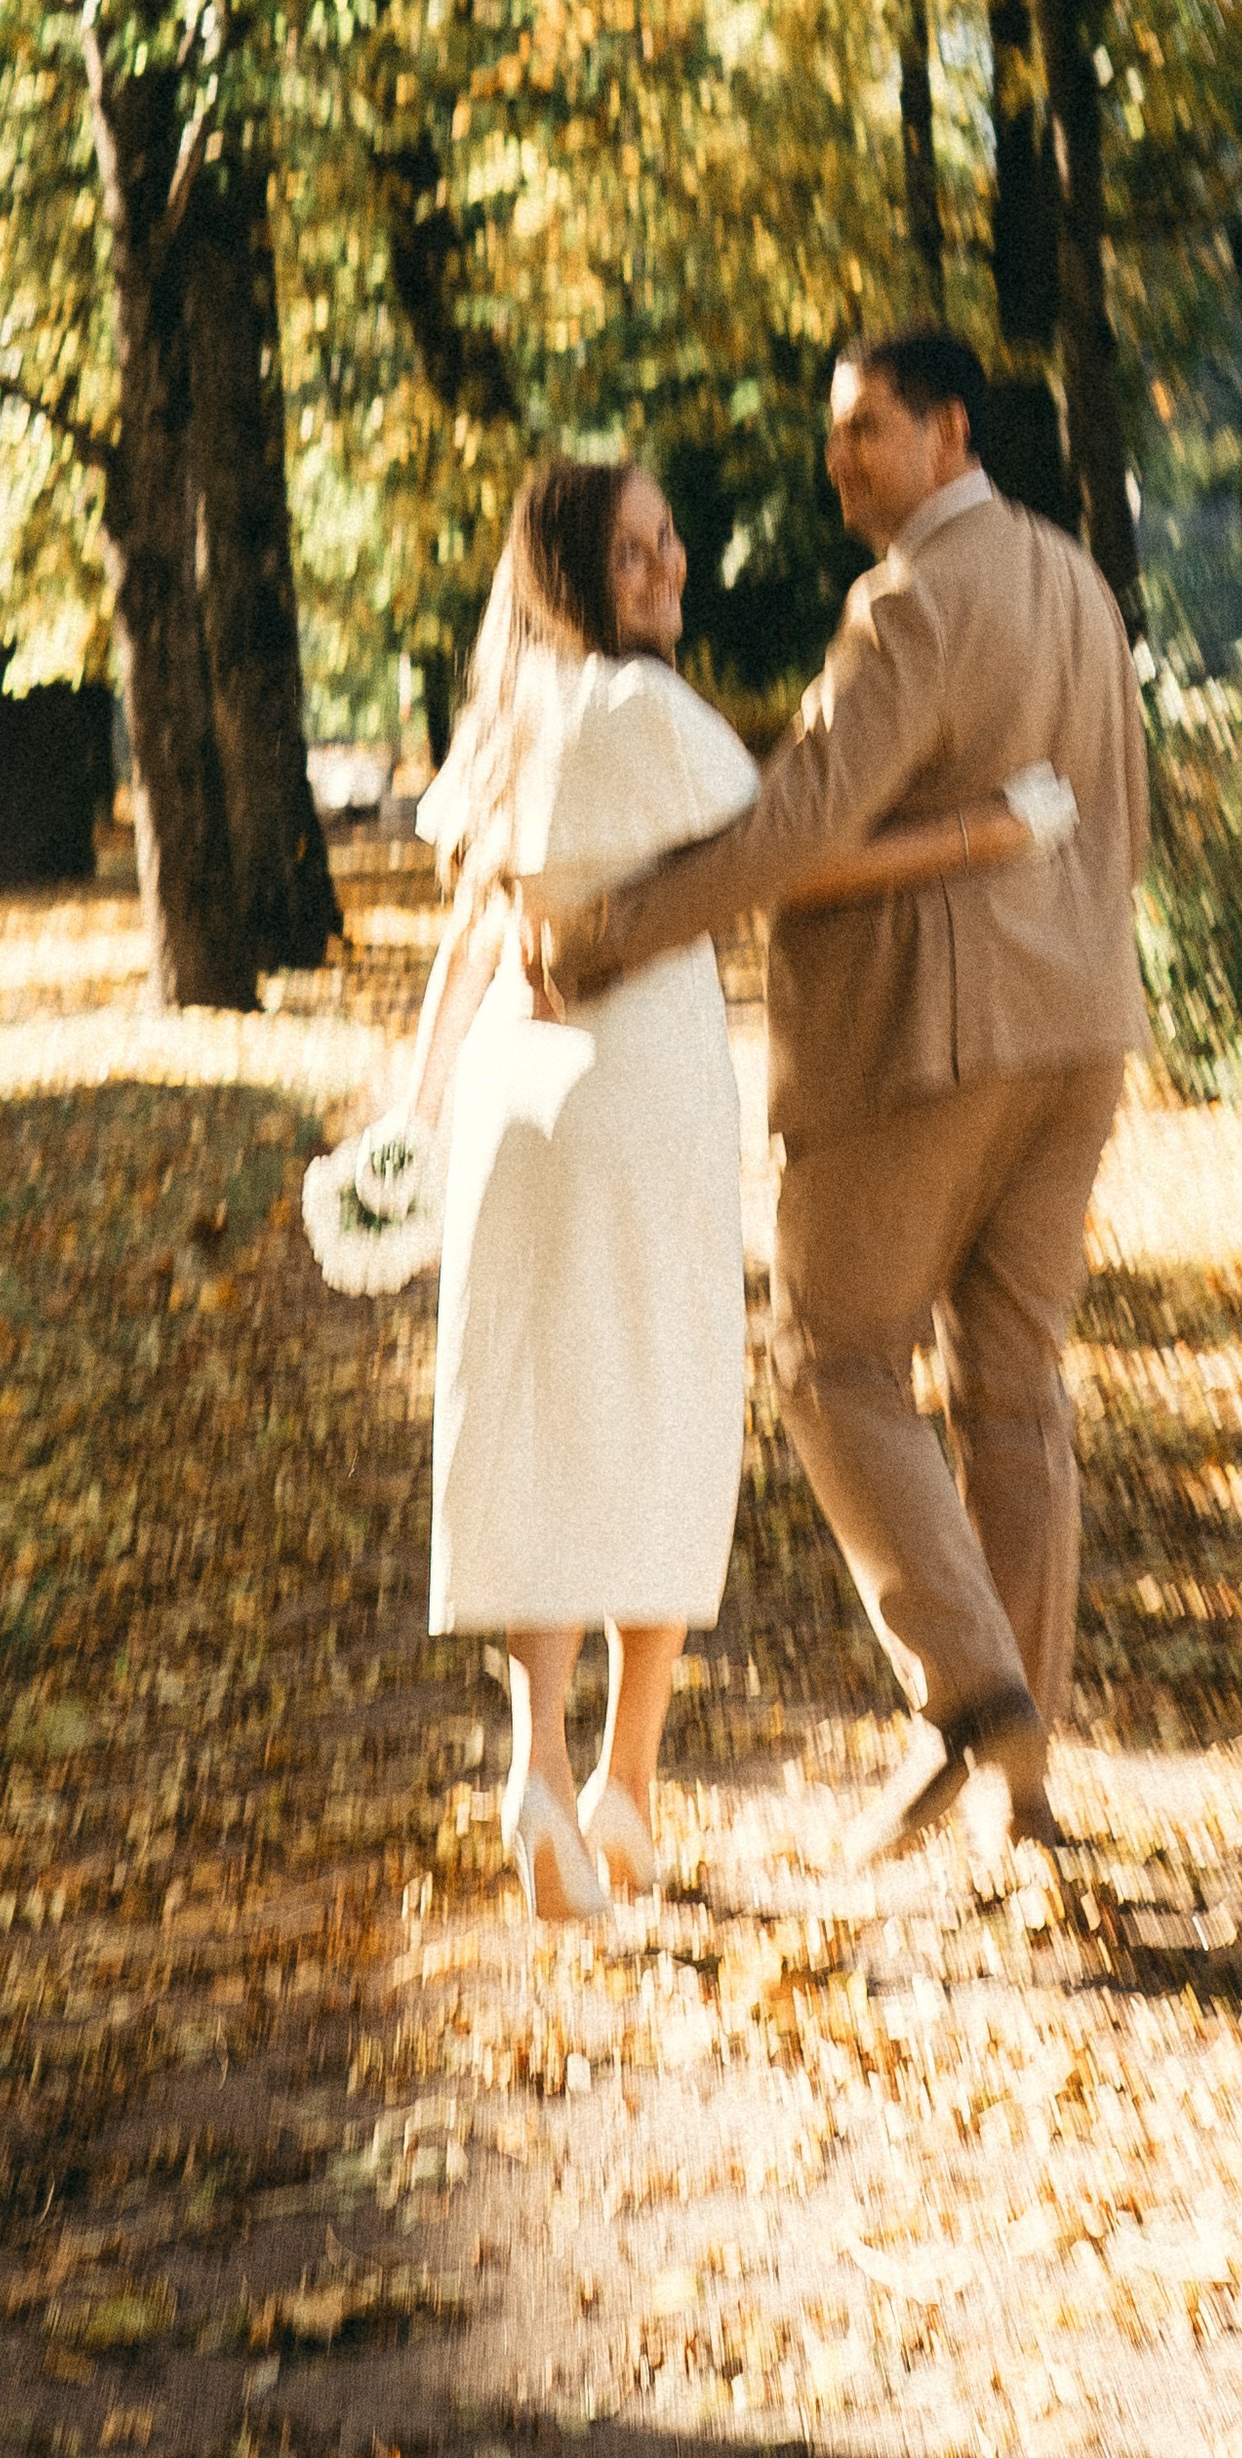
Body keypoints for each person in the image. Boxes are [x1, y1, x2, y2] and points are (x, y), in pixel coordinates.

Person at [389, 449, 1070, 1924]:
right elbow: (792, 857)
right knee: (658, 1407)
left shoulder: (508, 718)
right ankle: (620, 1781)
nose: (668, 569)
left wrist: (413, 1112)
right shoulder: (649, 715)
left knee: (539, 1416)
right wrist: (988, 833)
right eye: (633, 552)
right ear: (575, 576)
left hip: (513, 1097)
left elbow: (474, 926)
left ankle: (551, 1773)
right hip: (636, 1088)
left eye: (668, 539)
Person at [532, 332, 1149, 1869]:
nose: (840, 460)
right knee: (1013, 1390)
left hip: (931, 1040)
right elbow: (1113, 814)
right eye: (836, 432)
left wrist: (610, 932)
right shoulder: (1077, 580)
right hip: (1081, 1031)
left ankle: (978, 1696)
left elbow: (797, 823)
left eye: (868, 427)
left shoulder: (912, 601)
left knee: (830, 1357)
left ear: (952, 433)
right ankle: (1019, 1793)